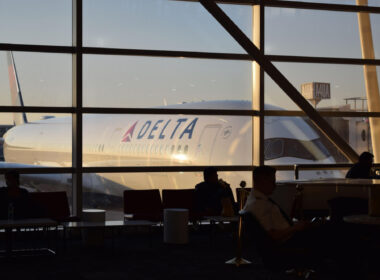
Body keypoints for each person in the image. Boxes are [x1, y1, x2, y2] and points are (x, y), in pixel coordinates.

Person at [242, 166, 366, 275]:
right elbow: (273, 236)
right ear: (262, 181)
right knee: (339, 234)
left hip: (290, 238)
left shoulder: (254, 201)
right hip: (290, 242)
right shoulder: (259, 205)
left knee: (333, 230)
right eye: (272, 181)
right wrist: (295, 228)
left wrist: (296, 226)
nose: (274, 185)